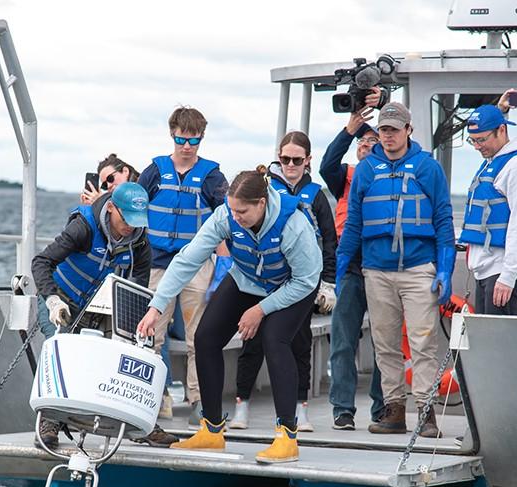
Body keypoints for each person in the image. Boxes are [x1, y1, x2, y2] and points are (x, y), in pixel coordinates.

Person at [135, 170, 321, 464]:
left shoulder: (293, 225)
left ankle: (287, 437)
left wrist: (260, 310)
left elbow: (306, 281)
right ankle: (211, 431)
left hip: (293, 286)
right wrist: (156, 307)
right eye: (232, 209)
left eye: (242, 211)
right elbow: (188, 259)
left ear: (261, 203)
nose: (235, 217)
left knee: (274, 340)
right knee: (206, 337)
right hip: (248, 279)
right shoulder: (225, 215)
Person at [336, 102, 455, 438]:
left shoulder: (428, 168)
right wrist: (341, 268)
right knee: (385, 344)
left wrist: (444, 270)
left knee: (423, 342)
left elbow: (444, 220)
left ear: (408, 131)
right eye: (383, 130)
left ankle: (426, 412)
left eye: (393, 129)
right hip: (376, 271)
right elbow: (355, 223)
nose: (387, 136)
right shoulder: (365, 170)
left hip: (419, 269)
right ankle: (394, 410)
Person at [31, 182, 178, 448]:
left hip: (98, 305)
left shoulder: (140, 242)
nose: (131, 227)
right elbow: (41, 262)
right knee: (58, 348)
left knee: (129, 350)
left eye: (137, 221)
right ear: (111, 207)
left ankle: (141, 423)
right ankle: (48, 422)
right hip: (61, 298)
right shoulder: (83, 228)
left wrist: (136, 327)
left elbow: (138, 289)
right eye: (126, 219)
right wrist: (52, 301)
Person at [229, 133, 337, 432]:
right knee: (251, 341)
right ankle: (242, 405)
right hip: (264, 277)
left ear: (308, 161)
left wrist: (328, 283)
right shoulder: (265, 189)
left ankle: (300, 410)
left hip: (301, 282)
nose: (290, 165)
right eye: (285, 158)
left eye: (297, 160)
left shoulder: (316, 195)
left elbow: (329, 240)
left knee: (299, 344)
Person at [139, 107, 229, 424]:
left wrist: (223, 265)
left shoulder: (212, 177)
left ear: (201, 138)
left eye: (193, 140)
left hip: (197, 265)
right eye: (181, 139)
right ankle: (153, 397)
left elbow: (226, 220)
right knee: (153, 335)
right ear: (172, 135)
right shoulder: (153, 172)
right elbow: (135, 213)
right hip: (158, 265)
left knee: (198, 337)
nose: (187, 146)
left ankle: (199, 400)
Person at [319, 98, 385, 430]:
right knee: (343, 341)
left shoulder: (390, 175)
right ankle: (342, 409)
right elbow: (326, 165)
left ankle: (382, 408)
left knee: (383, 342)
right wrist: (349, 130)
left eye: (373, 143)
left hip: (383, 265)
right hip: (350, 267)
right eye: (362, 143)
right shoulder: (345, 176)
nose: (365, 147)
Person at [458, 104, 517, 315]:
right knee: (485, 341)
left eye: (482, 139)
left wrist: (508, 276)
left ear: (502, 130)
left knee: (496, 343)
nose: (477, 146)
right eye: (473, 140)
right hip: (487, 269)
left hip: (504, 271)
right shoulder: (494, 161)